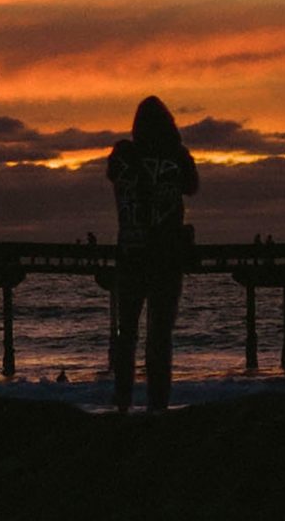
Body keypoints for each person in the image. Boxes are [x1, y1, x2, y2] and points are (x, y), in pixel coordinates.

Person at [106, 95, 198, 413]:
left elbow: (112, 177)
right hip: (166, 257)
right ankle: (158, 403)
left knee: (126, 333)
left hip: (130, 253)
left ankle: (122, 401)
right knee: (160, 335)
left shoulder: (122, 157)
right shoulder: (177, 157)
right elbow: (193, 186)